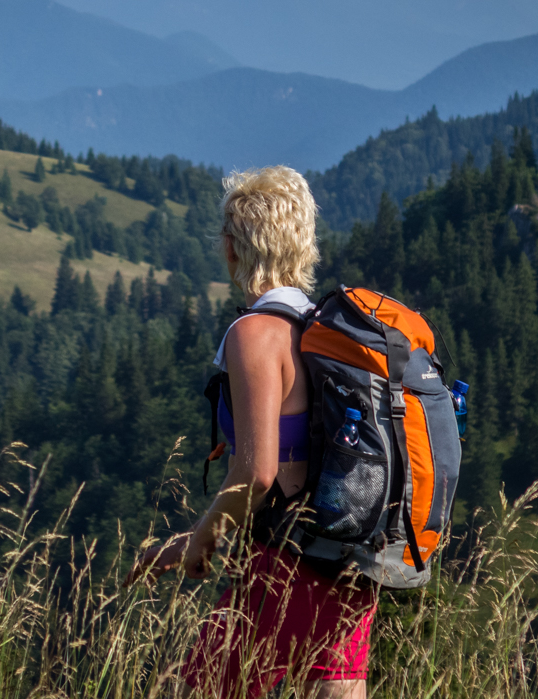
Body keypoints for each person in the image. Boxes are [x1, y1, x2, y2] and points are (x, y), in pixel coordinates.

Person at [126, 166, 377, 699]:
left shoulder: (255, 334)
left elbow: (258, 474)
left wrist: (199, 542)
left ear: (233, 247)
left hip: (283, 566)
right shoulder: (331, 333)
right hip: (351, 566)